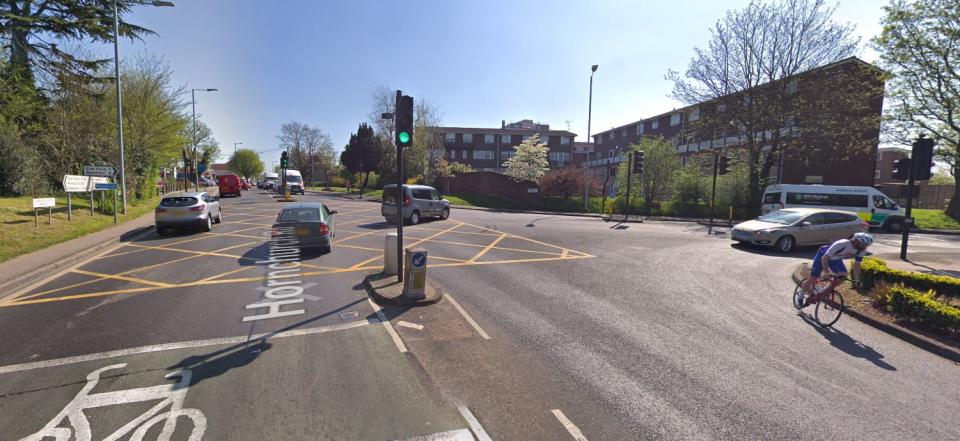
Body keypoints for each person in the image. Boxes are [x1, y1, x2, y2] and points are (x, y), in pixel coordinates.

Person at [800, 232, 874, 307]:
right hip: (822, 256)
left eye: (866, 245)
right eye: (863, 244)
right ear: (856, 241)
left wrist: (857, 279)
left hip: (836, 260)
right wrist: (826, 272)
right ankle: (801, 295)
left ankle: (823, 291)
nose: (865, 247)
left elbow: (857, 265)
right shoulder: (842, 244)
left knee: (843, 276)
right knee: (813, 278)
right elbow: (825, 258)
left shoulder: (861, 249)